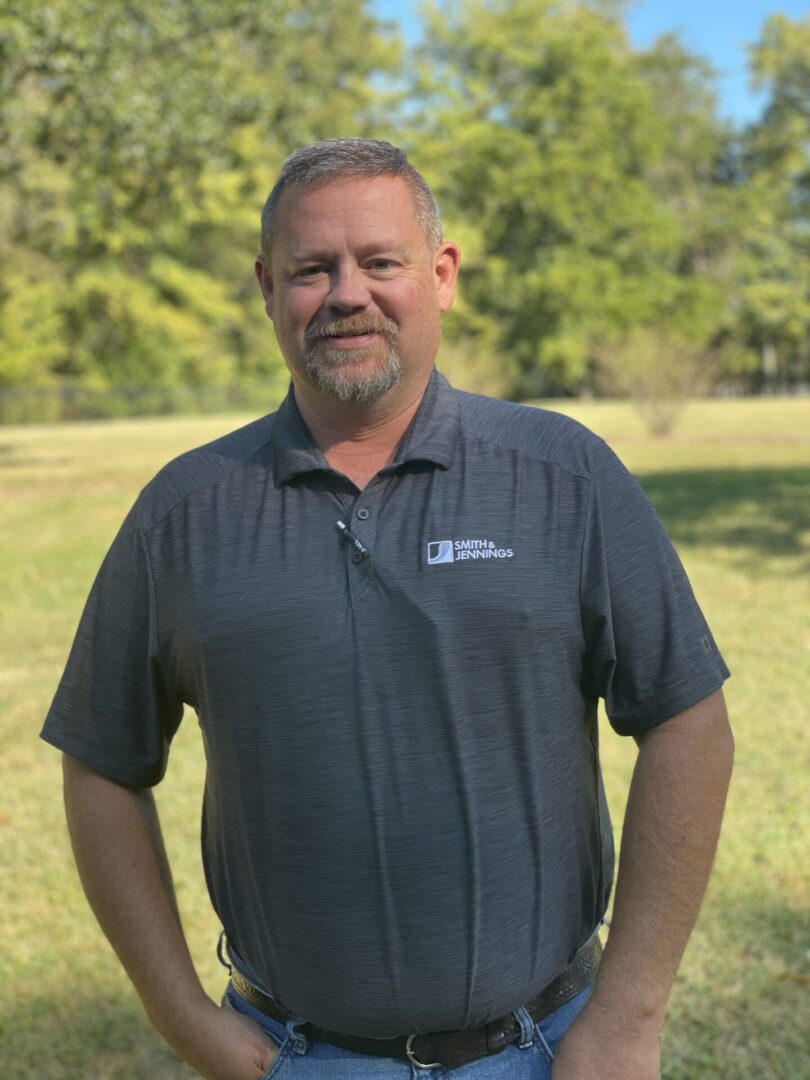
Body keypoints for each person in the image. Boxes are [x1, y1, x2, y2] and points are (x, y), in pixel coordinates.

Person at [42, 138, 734, 1080]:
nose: (346, 294)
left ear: (440, 276)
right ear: (265, 287)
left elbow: (688, 717)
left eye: (380, 262)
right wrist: (177, 1010)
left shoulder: (564, 475)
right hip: (289, 1054)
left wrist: (630, 1012)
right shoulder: (185, 511)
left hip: (546, 1050)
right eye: (311, 269)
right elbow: (101, 764)